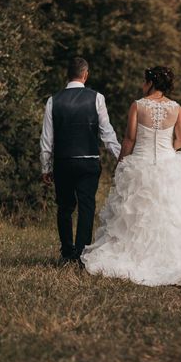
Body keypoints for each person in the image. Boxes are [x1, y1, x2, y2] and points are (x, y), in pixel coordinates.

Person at [81, 66, 181, 285]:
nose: (142, 85)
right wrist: (168, 150)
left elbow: (129, 139)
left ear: (151, 83)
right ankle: (176, 256)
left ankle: (136, 255)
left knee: (135, 213)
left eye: (144, 81)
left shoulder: (138, 105)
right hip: (168, 164)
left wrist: (120, 163)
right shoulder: (176, 108)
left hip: (140, 163)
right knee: (172, 211)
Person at [40, 57, 121, 263]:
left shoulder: (53, 100)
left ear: (67, 75)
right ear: (85, 74)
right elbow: (107, 133)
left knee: (65, 207)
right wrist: (121, 156)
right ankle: (82, 254)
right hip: (88, 161)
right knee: (87, 207)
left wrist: (45, 167)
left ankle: (67, 252)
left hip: (63, 161)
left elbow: (47, 139)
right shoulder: (97, 98)